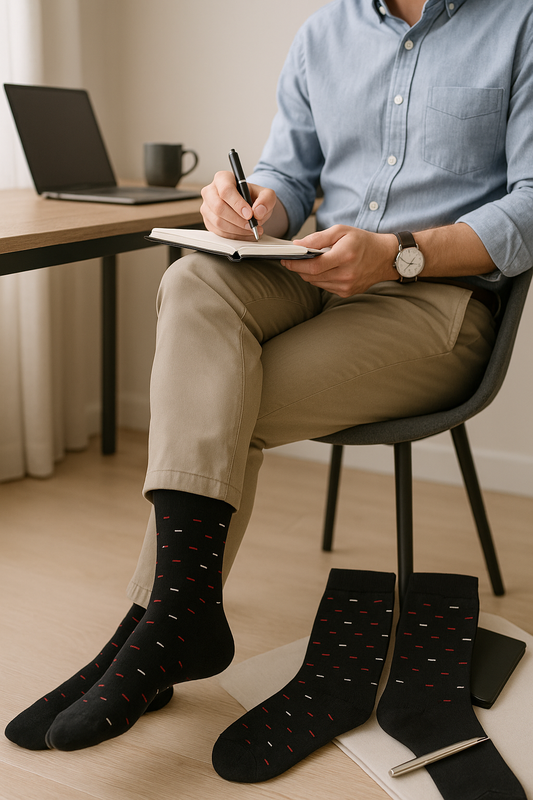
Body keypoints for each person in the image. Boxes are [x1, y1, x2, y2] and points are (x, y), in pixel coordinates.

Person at [6, 0, 533, 757]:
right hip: (313, 270)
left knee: (219, 399)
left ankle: (147, 633)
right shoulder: (324, 33)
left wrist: (398, 253)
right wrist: (251, 202)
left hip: (435, 298)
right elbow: (290, 171)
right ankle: (173, 620)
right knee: (194, 282)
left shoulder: (517, 23)